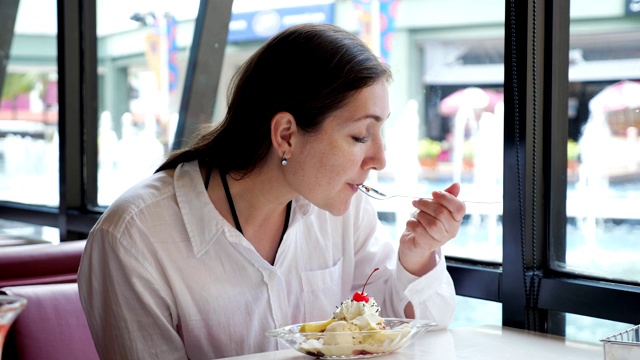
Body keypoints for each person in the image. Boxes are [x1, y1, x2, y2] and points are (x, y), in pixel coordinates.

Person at [77, 23, 466, 359]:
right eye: (360, 135)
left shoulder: (343, 208)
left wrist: (416, 256)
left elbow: (422, 330)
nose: (380, 159)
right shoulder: (134, 239)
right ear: (286, 135)